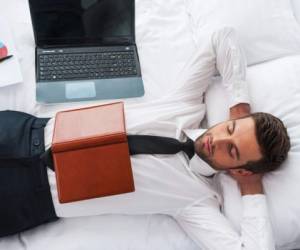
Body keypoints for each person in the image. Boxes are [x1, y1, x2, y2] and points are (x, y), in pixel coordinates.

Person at [0, 27, 290, 250]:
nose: (217, 140)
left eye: (234, 151)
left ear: (240, 170)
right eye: (229, 129)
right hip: (24, 131)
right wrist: (240, 106)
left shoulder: (196, 201)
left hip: (25, 199)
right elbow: (222, 38)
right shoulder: (185, 103)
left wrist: (251, 188)